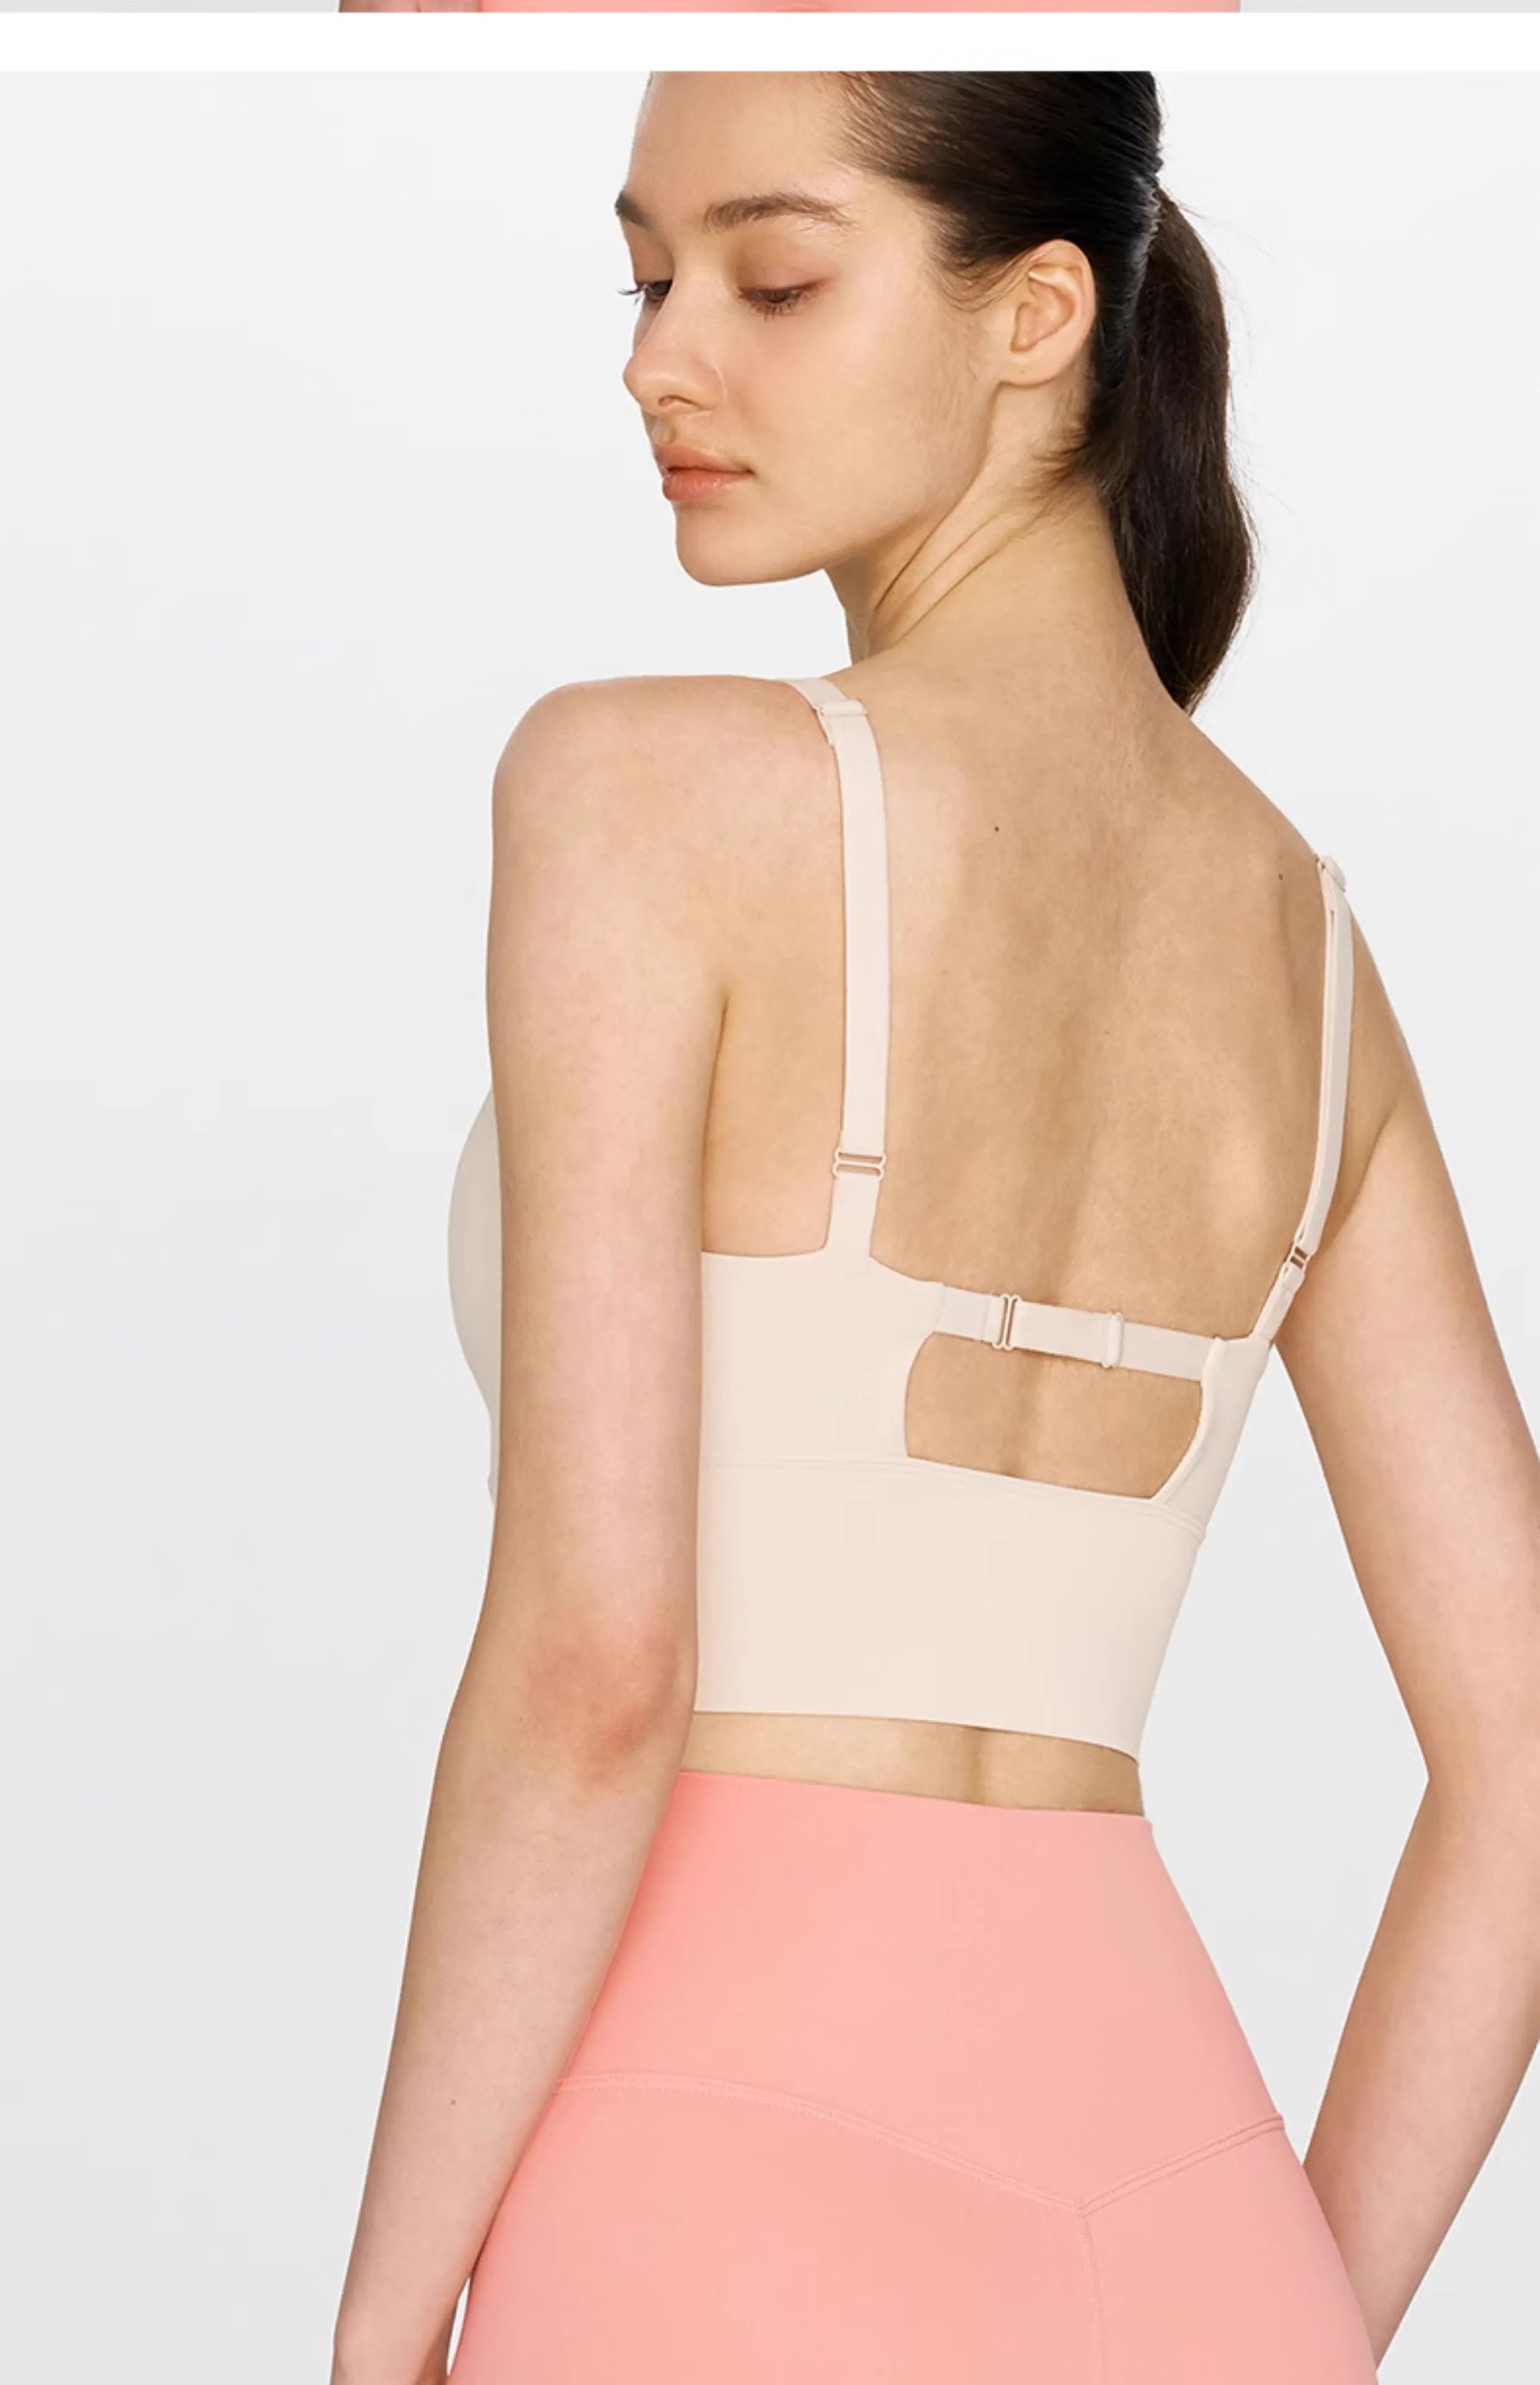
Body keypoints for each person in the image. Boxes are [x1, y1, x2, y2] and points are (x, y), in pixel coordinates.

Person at [330, 70, 1540, 2385]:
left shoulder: (644, 796)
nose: (662, 359)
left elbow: (597, 1665)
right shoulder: (1309, 955)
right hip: (1187, 2224)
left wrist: (388, 2328)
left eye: (773, 281)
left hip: (714, 2188)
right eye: (644, 276)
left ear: (1040, 313)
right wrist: (1294, 2316)